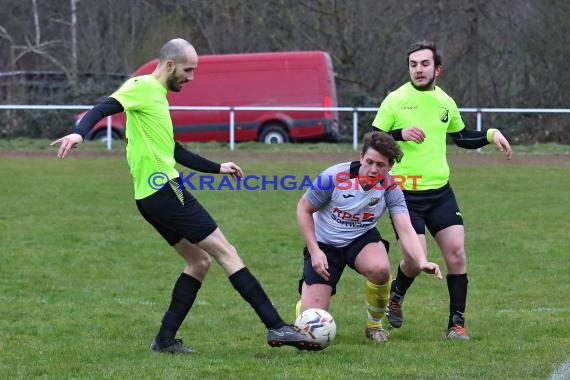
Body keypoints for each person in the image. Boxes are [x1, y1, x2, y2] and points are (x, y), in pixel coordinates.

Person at [51, 38, 321, 353]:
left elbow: (174, 150)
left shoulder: (159, 99)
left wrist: (218, 168)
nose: (191, 77)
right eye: (188, 70)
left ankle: (164, 341)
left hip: (149, 198)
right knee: (227, 253)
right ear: (169, 65)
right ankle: (277, 327)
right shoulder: (141, 87)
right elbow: (103, 107)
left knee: (199, 262)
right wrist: (79, 132)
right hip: (167, 191)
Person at [372, 40, 512, 341]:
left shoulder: (445, 102)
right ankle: (396, 294)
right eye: (413, 64)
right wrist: (399, 134)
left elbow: (461, 136)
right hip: (404, 194)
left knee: (457, 253)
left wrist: (491, 134)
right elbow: (372, 139)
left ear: (437, 69)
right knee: (414, 259)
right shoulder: (396, 100)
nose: (418, 69)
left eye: (424, 64)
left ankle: (456, 324)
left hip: (440, 192)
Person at [295, 131, 442, 343]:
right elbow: (303, 209)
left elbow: (405, 228)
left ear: (390, 166)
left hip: (360, 238)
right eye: (369, 162)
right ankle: (305, 305)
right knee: (311, 322)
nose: (373, 170)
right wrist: (315, 251)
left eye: (380, 165)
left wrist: (421, 260)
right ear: (361, 157)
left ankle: (374, 326)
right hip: (324, 243)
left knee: (381, 269)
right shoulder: (334, 177)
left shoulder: (391, 187)